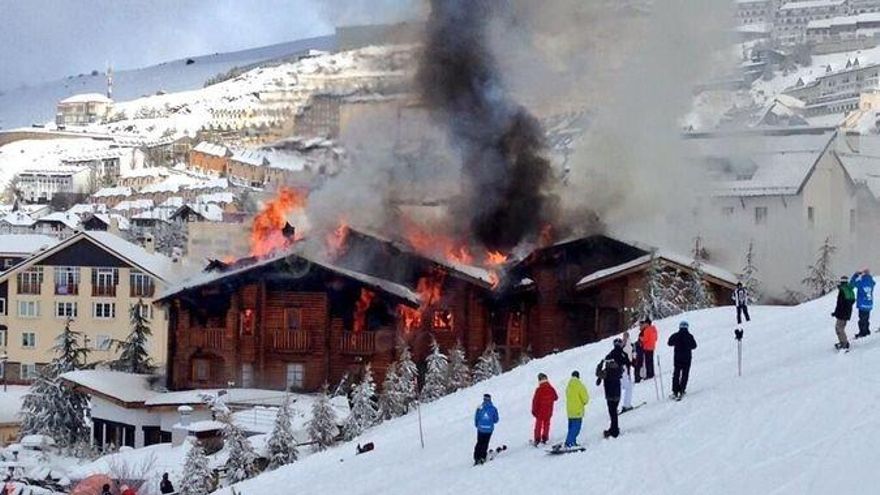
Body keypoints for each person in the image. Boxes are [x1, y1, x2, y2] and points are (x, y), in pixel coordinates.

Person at [596, 339, 629, 438]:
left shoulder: (609, 359)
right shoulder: (619, 368)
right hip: (617, 392)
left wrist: (600, 366)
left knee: (612, 412)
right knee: (614, 411)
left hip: (610, 393)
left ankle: (614, 430)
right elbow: (626, 363)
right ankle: (614, 428)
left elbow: (599, 373)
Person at [667, 321, 698, 400]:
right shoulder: (689, 336)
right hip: (687, 358)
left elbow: (669, 343)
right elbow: (694, 346)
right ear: (687, 327)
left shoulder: (676, 335)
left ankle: (675, 391)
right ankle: (682, 389)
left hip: (677, 357)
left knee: (676, 374)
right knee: (685, 374)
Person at [531, 373, 558, 446]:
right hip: (549, 410)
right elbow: (556, 397)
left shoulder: (539, 390)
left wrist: (533, 410)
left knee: (538, 425)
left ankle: (537, 439)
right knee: (547, 424)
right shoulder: (551, 388)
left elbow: (535, 401)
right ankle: (545, 437)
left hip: (540, 411)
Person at [564, 371, 589, 448]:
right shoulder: (580, 385)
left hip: (569, 411)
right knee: (576, 428)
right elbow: (585, 399)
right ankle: (569, 442)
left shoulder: (568, 386)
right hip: (577, 410)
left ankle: (572, 441)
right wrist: (583, 403)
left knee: (571, 428)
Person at [473, 393, 499, 465]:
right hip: (489, 430)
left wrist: (477, 425)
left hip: (480, 429)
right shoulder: (493, 409)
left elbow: (476, 418)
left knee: (479, 442)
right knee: (485, 443)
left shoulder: (479, 408)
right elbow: (496, 420)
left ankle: (476, 457)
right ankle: (482, 457)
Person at [832, 275, 856, 350]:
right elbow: (852, 301)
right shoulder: (850, 290)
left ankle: (844, 344)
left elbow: (840, 304)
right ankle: (843, 342)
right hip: (847, 313)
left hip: (842, 313)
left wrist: (836, 313)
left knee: (839, 328)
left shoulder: (842, 290)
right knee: (841, 327)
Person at [851, 269, 875, 338]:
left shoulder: (861, 281)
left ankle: (862, 332)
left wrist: (855, 275)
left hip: (862, 304)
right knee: (866, 318)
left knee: (862, 319)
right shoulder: (871, 282)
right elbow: (873, 282)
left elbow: (852, 284)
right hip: (869, 303)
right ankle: (867, 331)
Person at [619, 332, 635, 412]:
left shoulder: (625, 344)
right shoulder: (626, 344)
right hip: (624, 367)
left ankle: (623, 405)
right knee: (628, 385)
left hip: (623, 366)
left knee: (625, 385)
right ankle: (626, 405)